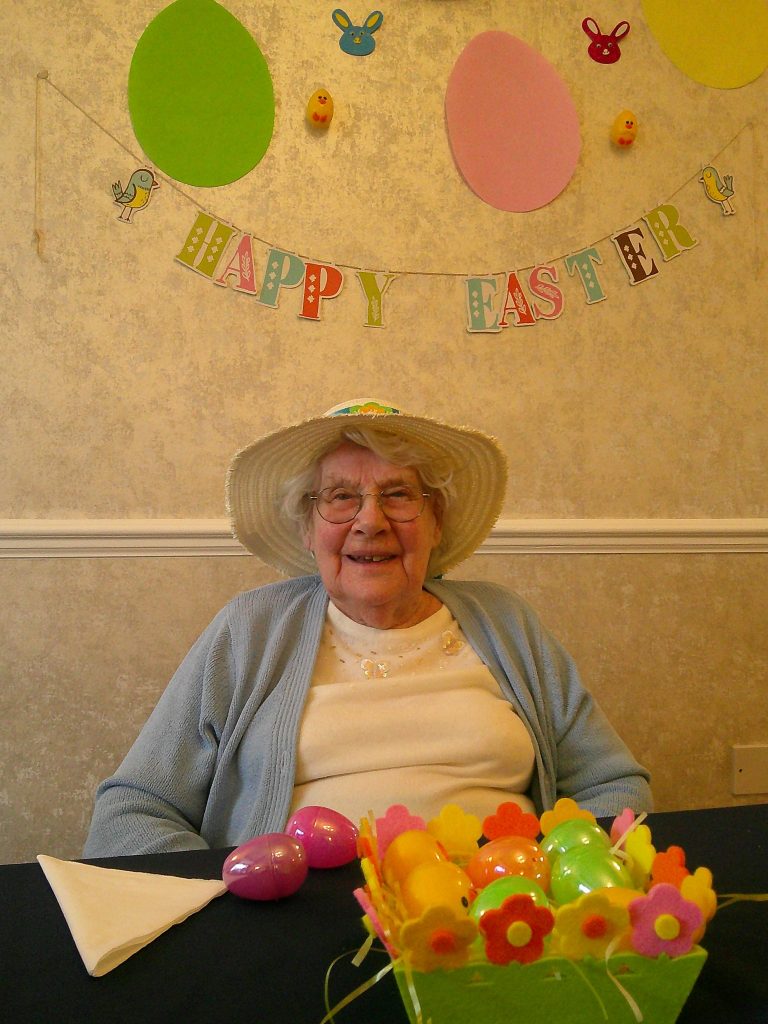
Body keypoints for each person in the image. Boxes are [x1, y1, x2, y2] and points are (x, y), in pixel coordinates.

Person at [84, 399, 651, 857]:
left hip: (497, 919)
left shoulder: (506, 623)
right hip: (296, 924)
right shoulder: (249, 630)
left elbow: (612, 785)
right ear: (309, 529)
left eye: (399, 495)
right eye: (341, 498)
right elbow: (134, 808)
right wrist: (226, 902)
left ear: (436, 522)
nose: (370, 521)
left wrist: (569, 874)